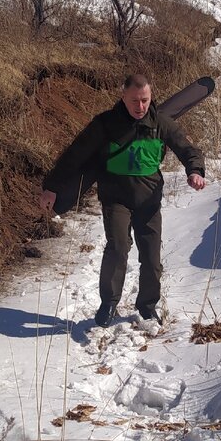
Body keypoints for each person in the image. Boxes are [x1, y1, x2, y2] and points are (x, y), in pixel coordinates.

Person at [39, 74, 206, 328]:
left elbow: (187, 148)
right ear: (123, 97)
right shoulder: (106, 124)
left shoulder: (161, 123)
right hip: (116, 198)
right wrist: (51, 187)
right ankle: (108, 303)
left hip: (149, 200)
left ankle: (147, 307)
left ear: (151, 97)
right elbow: (74, 155)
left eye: (145, 100)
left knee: (151, 257)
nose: (140, 107)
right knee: (117, 248)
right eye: (134, 101)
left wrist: (195, 170)